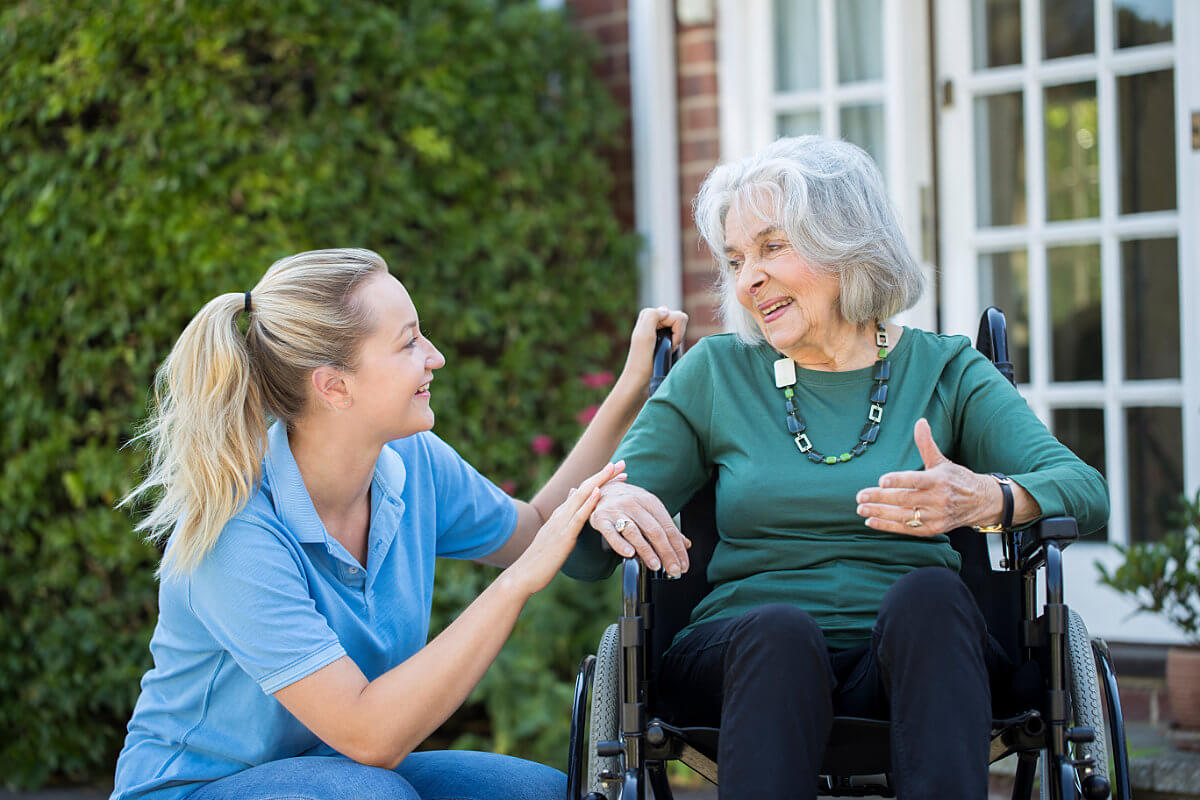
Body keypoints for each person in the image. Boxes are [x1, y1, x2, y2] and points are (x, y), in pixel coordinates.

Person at [562, 135, 1109, 798]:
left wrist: (989, 499)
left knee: (933, 599)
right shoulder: (717, 374)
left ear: (847, 243)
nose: (746, 280)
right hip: (746, 658)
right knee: (780, 630)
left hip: (913, 662)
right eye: (736, 259)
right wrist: (609, 507)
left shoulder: (944, 368)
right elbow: (585, 557)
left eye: (772, 246)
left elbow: (1085, 491)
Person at [110, 248, 687, 800]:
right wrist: (517, 584)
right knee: (369, 793)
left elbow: (536, 528)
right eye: (409, 342)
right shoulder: (235, 532)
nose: (434, 355)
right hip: (195, 790)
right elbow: (370, 736)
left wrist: (631, 386)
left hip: (334, 772)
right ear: (334, 386)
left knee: (541, 793)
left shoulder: (413, 463)